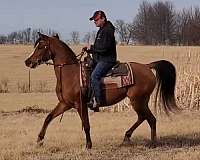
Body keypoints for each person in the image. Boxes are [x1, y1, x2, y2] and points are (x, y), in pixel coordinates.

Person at [82, 10, 117, 111]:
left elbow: (104, 48)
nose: (95, 22)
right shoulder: (102, 29)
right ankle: (90, 96)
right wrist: (90, 48)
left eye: (96, 20)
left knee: (94, 76)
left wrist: (91, 48)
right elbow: (99, 46)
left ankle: (97, 100)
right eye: (94, 20)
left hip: (107, 60)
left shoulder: (107, 30)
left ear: (103, 19)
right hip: (101, 59)